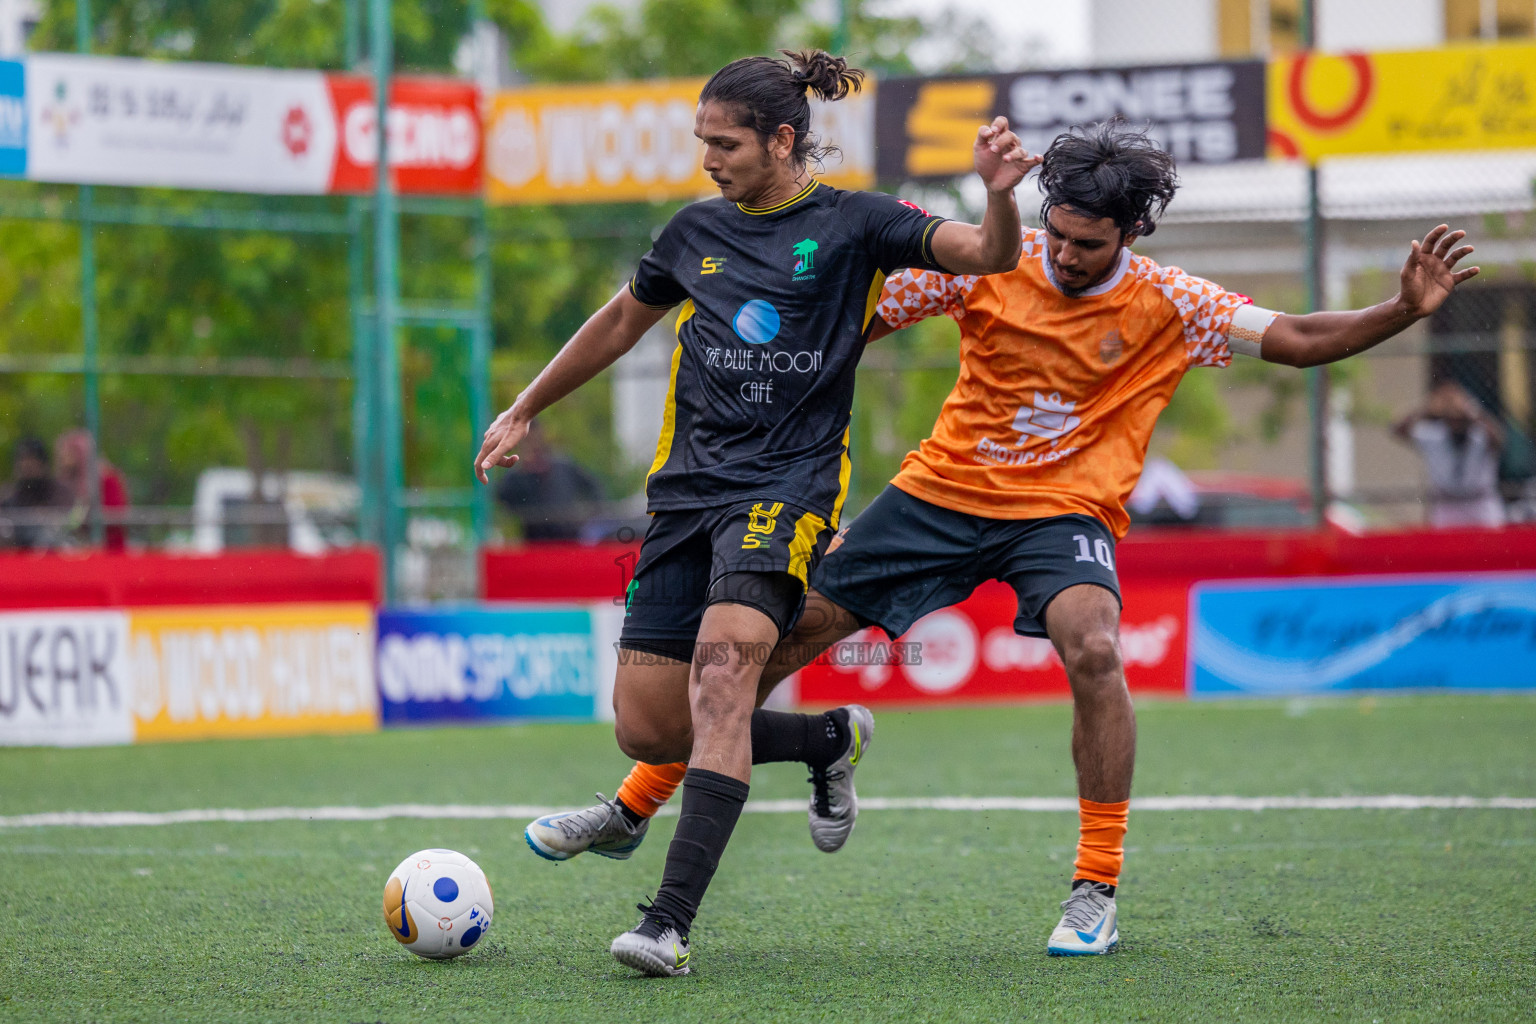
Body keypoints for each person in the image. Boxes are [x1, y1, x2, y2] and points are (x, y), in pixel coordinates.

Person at [526, 120, 1481, 959]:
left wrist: (1402, 310)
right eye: (1054, 232)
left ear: (1131, 234)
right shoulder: (998, 261)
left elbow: (1301, 337)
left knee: (1095, 645)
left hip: (1063, 512)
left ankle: (1094, 888)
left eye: (1086, 243)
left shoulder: (1172, 302)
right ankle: (645, 800)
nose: (1062, 254)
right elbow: (844, 324)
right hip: (936, 497)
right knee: (757, 648)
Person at [474, 49, 1033, 977]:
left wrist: (998, 196)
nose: (708, 159)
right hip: (684, 497)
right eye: (702, 141)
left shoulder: (858, 223)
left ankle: (667, 925)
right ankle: (825, 739)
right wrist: (527, 405)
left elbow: (990, 255)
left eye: (724, 143)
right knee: (650, 729)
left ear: (781, 139)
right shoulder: (692, 230)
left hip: (786, 494)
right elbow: (618, 321)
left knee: (724, 685)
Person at [1393, 379, 1505, 528]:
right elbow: (1398, 429)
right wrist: (1428, 408)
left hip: (1479, 503)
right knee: (1444, 542)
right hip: (1446, 504)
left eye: (1458, 419)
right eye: (1450, 419)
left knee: (1490, 542)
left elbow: (1499, 439)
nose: (1455, 423)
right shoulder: (1434, 435)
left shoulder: (1480, 433)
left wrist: (1470, 410)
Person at [494, 420, 605, 540]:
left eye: (535, 438)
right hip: (535, 538)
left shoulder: (563, 466)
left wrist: (590, 515)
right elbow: (502, 498)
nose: (533, 444)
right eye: (528, 440)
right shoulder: (517, 475)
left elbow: (594, 487)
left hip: (569, 535)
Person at [55, 429, 129, 551]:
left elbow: (115, 516)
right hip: (79, 547)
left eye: (68, 453)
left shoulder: (106, 479)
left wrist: (86, 517)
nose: (64, 458)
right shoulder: (67, 482)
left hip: (108, 547)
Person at [0, 436, 68, 548]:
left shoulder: (59, 493)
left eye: (32, 460)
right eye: (22, 460)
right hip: (16, 554)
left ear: (43, 464)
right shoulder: (8, 495)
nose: (26, 465)